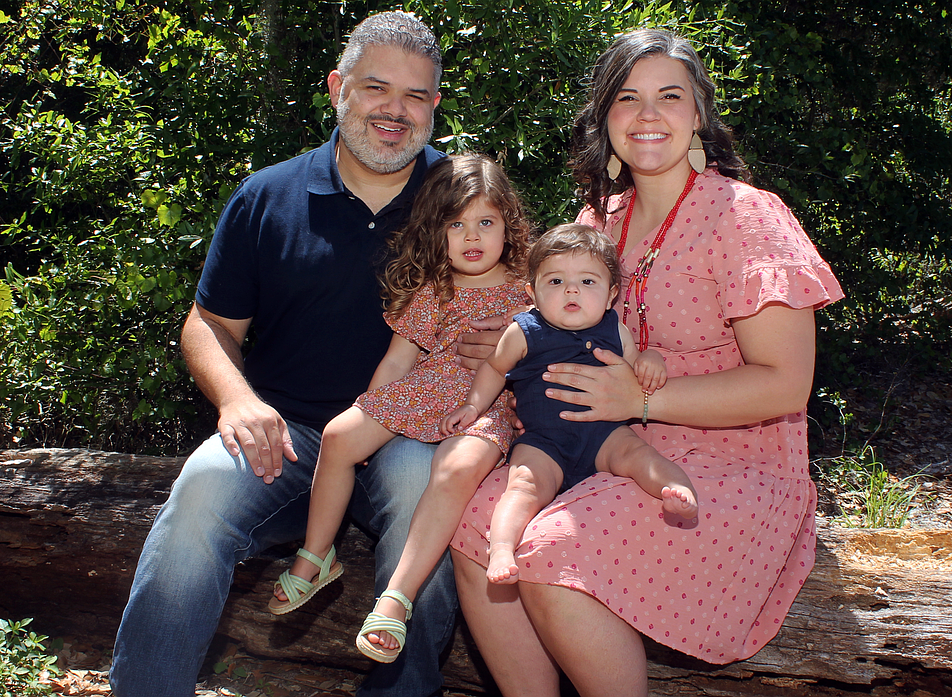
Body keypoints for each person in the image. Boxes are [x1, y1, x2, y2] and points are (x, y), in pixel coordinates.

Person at [448, 28, 844, 697]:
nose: (648, 114)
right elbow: (559, 336)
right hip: (605, 444)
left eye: (670, 96)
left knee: (550, 552)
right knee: (475, 523)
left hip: (732, 464)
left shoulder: (747, 217)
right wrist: (506, 345)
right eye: (627, 98)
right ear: (606, 120)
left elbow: (786, 383)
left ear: (699, 115)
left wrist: (641, 401)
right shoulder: (599, 220)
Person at [109, 12, 460, 697]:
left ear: (436, 107)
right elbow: (206, 325)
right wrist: (238, 399)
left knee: (430, 489)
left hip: (410, 432)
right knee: (203, 488)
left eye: (416, 96)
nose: (395, 111)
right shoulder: (267, 196)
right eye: (374, 89)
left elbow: (524, 304)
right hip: (288, 437)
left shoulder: (465, 201)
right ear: (337, 88)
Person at [268, 154, 531, 664]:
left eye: (485, 222)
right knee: (339, 434)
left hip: (487, 403)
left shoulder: (528, 294)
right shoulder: (435, 288)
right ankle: (318, 554)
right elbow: (397, 362)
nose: (472, 237)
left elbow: (540, 362)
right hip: (428, 387)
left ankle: (397, 596)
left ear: (508, 226)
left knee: (455, 469)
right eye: (456, 225)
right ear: (436, 232)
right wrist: (371, 417)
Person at [441, 223, 697, 585]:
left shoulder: (616, 330)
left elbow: (634, 367)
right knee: (524, 486)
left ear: (611, 295)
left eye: (588, 282)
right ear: (533, 292)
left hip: (605, 435)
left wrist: (650, 359)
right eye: (556, 282)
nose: (572, 290)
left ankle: (678, 491)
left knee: (643, 458)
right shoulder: (523, 331)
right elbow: (495, 368)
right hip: (544, 440)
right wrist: (472, 406)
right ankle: (500, 547)